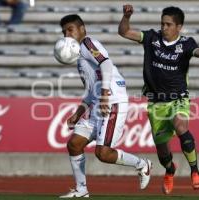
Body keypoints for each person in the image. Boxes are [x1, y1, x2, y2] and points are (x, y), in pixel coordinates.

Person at [119, 5, 199, 195]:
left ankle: (195, 171)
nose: (164, 27)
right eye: (162, 23)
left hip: (178, 98)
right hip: (156, 103)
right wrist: (126, 16)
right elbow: (123, 32)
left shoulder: (187, 44)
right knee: (163, 152)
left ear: (179, 27)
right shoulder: (151, 38)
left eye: (168, 24)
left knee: (181, 127)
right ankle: (170, 169)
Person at [58, 14, 152, 198]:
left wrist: (105, 93)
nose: (67, 35)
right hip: (97, 104)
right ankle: (81, 189)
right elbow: (89, 91)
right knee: (74, 144)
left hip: (111, 101)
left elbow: (106, 64)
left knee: (103, 153)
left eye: (70, 30)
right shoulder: (79, 58)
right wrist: (78, 112)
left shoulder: (87, 43)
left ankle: (142, 164)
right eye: (64, 32)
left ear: (82, 29)